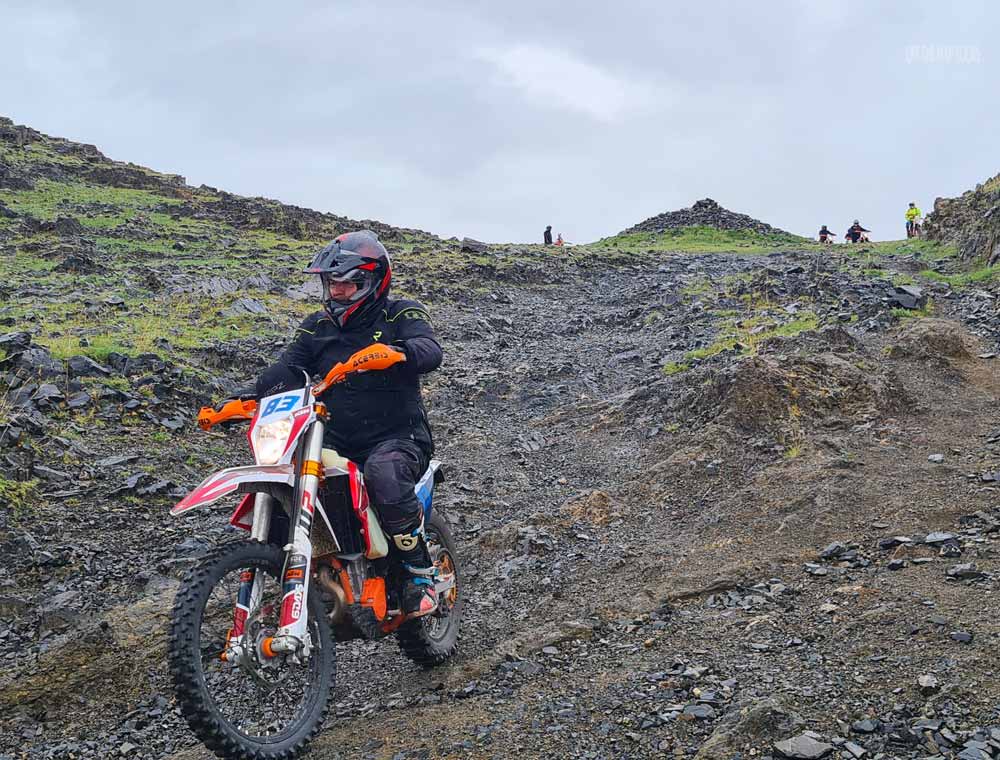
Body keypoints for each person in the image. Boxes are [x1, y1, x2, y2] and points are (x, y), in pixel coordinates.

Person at [255, 230, 443, 618]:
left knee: (385, 474)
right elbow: (289, 369)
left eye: (348, 285)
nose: (337, 293)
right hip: (332, 440)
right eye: (332, 284)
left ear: (374, 282)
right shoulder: (315, 327)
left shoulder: (401, 313)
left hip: (397, 437)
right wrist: (244, 396)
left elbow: (429, 349)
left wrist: (395, 353)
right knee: (279, 482)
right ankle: (284, 577)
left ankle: (419, 573)